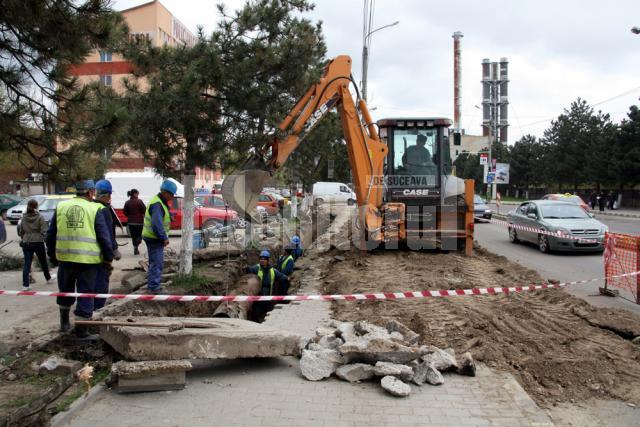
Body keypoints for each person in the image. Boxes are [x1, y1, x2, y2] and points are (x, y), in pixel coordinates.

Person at [46, 180, 114, 339]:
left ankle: (64, 324)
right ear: (90, 192)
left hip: (65, 259)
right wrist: (108, 258)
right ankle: (82, 332)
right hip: (88, 261)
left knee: (65, 290)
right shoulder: (95, 208)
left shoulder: (62, 206)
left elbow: (50, 234)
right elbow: (104, 237)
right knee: (86, 293)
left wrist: (52, 256)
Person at [142, 180, 177, 294]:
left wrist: (169, 216)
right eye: (171, 195)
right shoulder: (157, 204)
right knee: (157, 263)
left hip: (152, 237)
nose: (172, 197)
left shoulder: (159, 201)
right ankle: (154, 287)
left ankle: (153, 285)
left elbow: (160, 217)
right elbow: (156, 224)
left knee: (155, 262)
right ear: (165, 192)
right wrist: (164, 238)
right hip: (154, 238)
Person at [93, 180, 122, 310]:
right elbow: (107, 235)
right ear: (107, 195)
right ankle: (97, 312)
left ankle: (88, 312)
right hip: (100, 256)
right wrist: (110, 255)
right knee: (100, 286)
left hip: (88, 256)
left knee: (89, 286)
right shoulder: (104, 210)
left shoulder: (91, 207)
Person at [19, 199, 55, 290]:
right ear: (36, 206)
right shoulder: (40, 217)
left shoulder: (23, 217)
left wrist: (24, 237)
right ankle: (48, 278)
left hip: (26, 242)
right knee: (43, 262)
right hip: (38, 242)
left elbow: (21, 231)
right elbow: (44, 230)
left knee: (27, 264)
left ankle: (25, 285)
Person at [246, 250, 289, 321]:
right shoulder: (256, 268)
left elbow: (281, 276)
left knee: (266, 316)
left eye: (264, 259)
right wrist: (246, 267)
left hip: (268, 299)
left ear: (268, 260)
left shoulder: (272, 271)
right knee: (256, 316)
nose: (262, 260)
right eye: (261, 259)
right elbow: (249, 269)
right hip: (257, 299)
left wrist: (288, 278)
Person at [123, 189, 146, 255]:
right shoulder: (139, 201)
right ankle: (137, 245)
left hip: (130, 222)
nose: (138, 195)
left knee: (134, 236)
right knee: (139, 235)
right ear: (135, 194)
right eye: (137, 193)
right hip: (139, 222)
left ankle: (135, 247)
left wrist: (130, 216)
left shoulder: (127, 202)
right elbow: (144, 210)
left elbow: (125, 212)